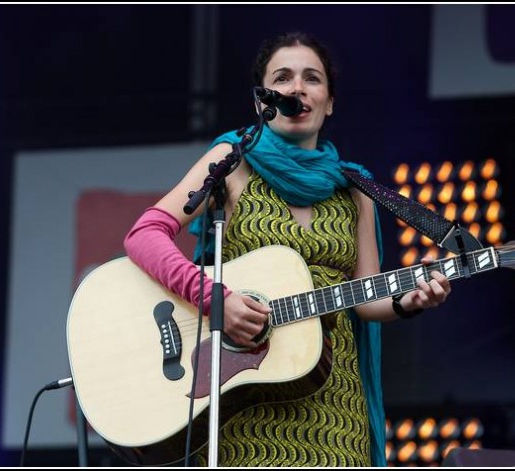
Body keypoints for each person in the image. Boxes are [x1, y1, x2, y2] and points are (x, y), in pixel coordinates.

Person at [123, 31, 451, 467]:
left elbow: (368, 299)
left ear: (329, 101)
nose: (297, 88)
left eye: (312, 79)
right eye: (283, 78)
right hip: (246, 395)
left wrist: (408, 301)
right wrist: (214, 299)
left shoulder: (356, 190)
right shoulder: (231, 161)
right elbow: (143, 235)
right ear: (263, 100)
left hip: (333, 400)